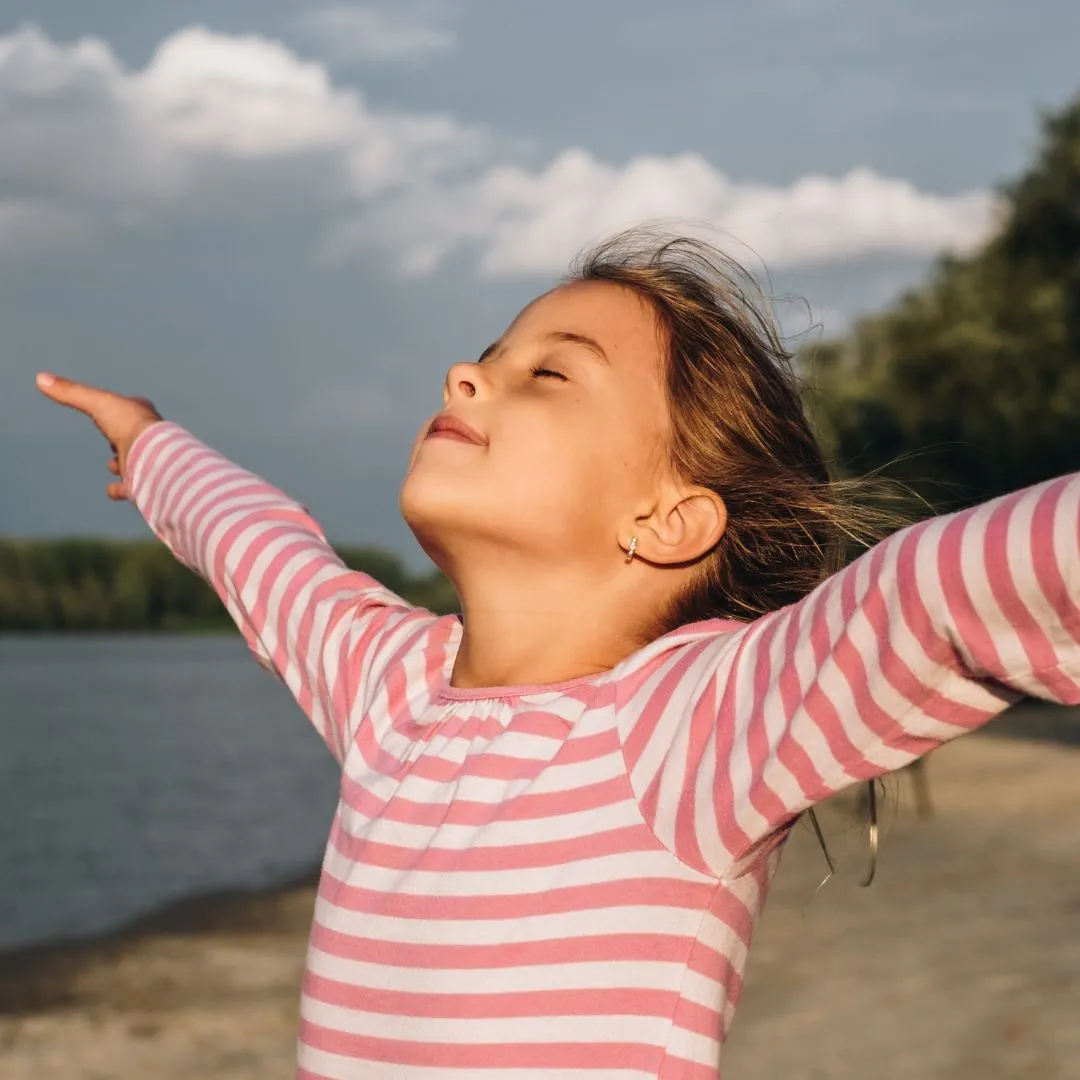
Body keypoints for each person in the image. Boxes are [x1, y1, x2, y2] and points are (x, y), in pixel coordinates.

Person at [36, 230, 1079, 1079]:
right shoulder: (390, 691)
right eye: (488, 356)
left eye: (546, 373)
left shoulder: (691, 723)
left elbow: (930, 594)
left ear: (668, 520)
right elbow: (258, 553)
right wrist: (152, 446)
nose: (468, 375)